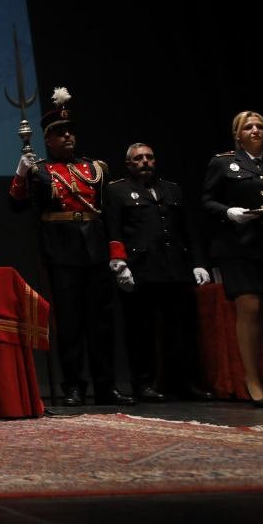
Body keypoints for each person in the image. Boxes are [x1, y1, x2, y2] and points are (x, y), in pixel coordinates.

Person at [10, 88, 134, 407]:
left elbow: (110, 216)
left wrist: (117, 254)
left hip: (94, 246)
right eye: (60, 134)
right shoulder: (39, 170)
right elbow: (17, 204)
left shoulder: (96, 169)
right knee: (70, 322)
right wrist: (22, 173)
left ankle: (106, 385)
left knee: (101, 322)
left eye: (70, 133)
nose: (68, 138)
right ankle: (74, 385)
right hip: (61, 250)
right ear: (48, 140)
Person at [105, 143, 214, 401]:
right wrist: (119, 263)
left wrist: (198, 263)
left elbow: (189, 231)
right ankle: (143, 383)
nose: (145, 161)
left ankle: (185, 382)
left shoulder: (172, 189)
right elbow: (113, 229)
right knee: (140, 331)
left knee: (181, 330)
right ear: (129, 164)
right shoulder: (117, 191)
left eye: (149, 157)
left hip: (175, 268)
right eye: (138, 158)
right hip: (140, 269)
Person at [200, 111, 263, 407]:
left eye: (260, 126)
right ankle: (253, 380)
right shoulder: (223, 162)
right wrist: (228, 212)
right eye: (248, 127)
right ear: (237, 134)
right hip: (239, 245)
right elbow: (207, 200)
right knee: (250, 307)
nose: (255, 130)